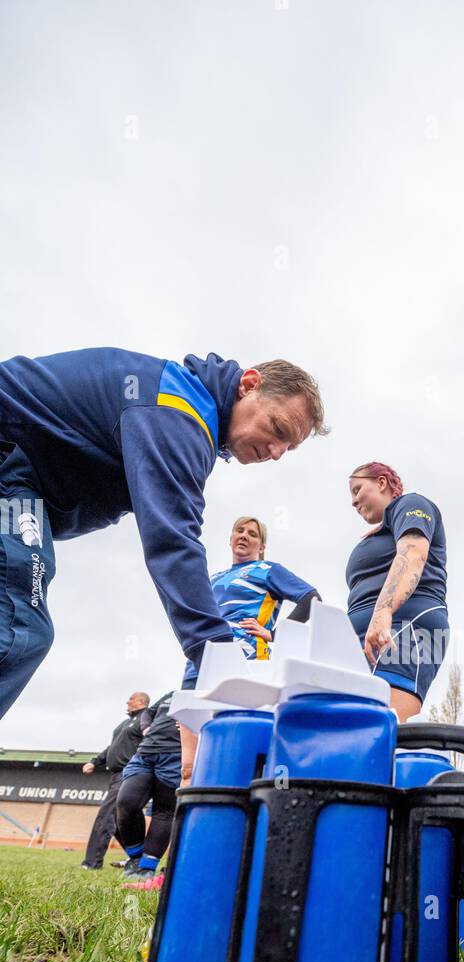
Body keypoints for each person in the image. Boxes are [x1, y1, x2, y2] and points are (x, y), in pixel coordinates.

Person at [0, 351, 327, 721]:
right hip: (9, 471)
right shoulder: (178, 411)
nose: (277, 453)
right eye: (279, 429)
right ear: (249, 385)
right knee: (19, 628)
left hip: (20, 478)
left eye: (290, 448)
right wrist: (222, 661)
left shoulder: (179, 405)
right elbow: (173, 541)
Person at [178, 515, 320, 781]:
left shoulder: (268, 570)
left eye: (253, 534)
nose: (244, 536)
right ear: (230, 539)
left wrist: (275, 634)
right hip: (200, 662)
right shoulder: (213, 577)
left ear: (262, 546)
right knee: (189, 767)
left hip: (244, 664)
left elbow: (311, 598)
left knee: (235, 754)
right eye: (239, 531)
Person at [346, 463, 449, 721]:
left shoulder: (411, 503)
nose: (353, 501)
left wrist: (382, 612)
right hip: (366, 636)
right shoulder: (382, 531)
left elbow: (413, 552)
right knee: (350, 728)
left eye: (358, 489)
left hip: (405, 626)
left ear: (382, 483)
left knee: (384, 730)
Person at [114, 692, 181, 890]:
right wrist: (146, 728)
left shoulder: (208, 687)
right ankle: (135, 857)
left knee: (163, 811)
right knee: (126, 803)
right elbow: (148, 713)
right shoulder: (172, 694)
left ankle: (147, 868)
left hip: (176, 754)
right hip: (146, 751)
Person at [79, 691, 150, 869]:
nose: (127, 701)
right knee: (120, 821)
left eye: (131, 699)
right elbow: (113, 747)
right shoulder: (125, 723)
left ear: (141, 701)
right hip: (116, 774)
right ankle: (138, 859)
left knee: (106, 816)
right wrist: (95, 761)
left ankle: (92, 863)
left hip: (130, 774)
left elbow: (152, 741)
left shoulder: (146, 719)